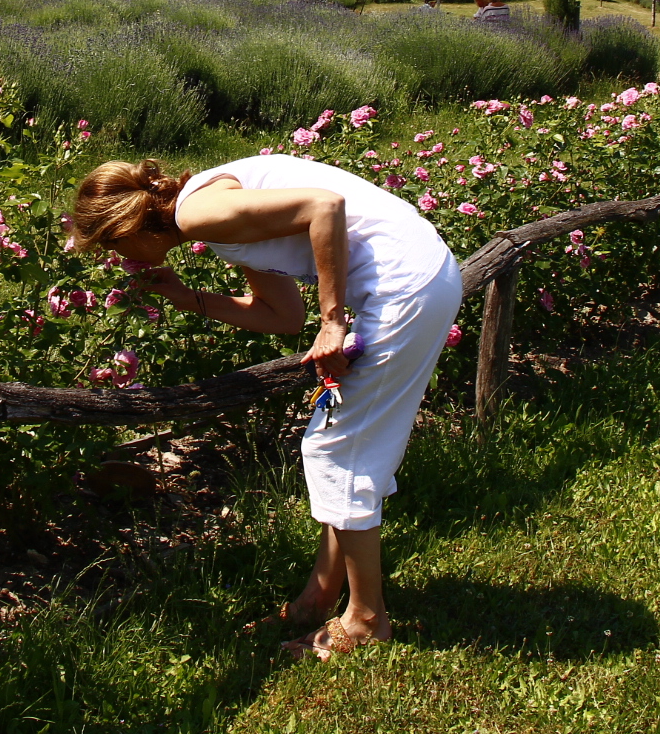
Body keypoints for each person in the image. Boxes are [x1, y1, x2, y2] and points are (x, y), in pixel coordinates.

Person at [67, 156, 461, 661]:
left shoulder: (198, 213)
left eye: (113, 245)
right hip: (418, 278)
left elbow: (324, 206)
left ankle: (366, 619)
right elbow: (282, 316)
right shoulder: (215, 214)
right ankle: (319, 596)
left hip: (403, 289)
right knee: (349, 442)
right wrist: (189, 297)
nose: (121, 257)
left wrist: (333, 321)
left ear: (127, 228)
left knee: (336, 450)